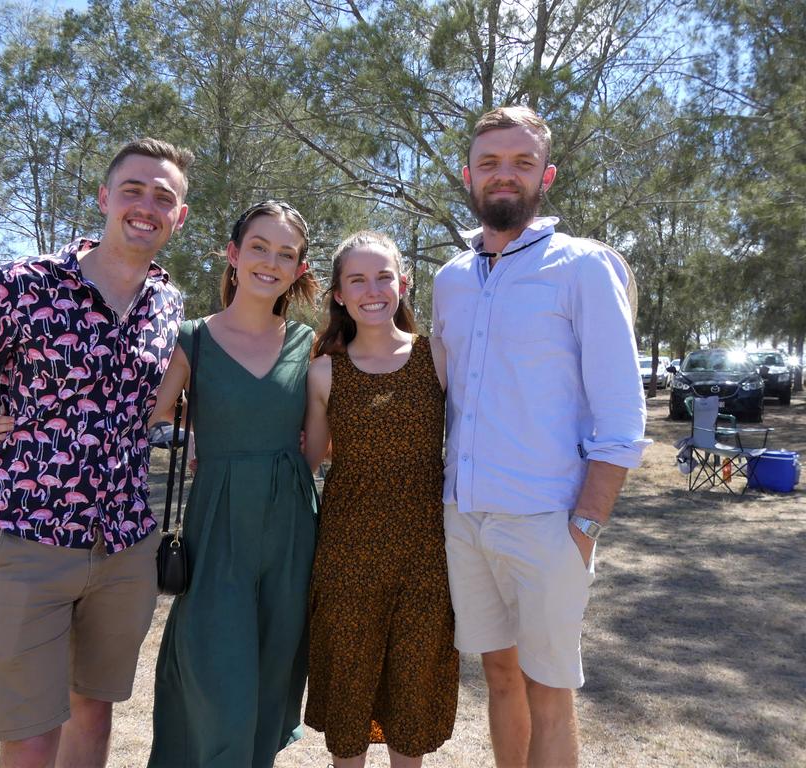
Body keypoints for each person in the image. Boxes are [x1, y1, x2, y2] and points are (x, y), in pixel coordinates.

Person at [0, 137, 193, 768]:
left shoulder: (169, 305)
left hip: (126, 547)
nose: (146, 206)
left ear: (178, 216)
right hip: (30, 540)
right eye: (133, 190)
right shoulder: (23, 284)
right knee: (29, 736)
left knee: (94, 718)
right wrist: (12, 457)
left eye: (164, 197)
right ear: (105, 198)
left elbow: (157, 406)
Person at [432, 105, 649, 767]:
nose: (505, 175)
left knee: (548, 689)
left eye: (522, 163)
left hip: (550, 521)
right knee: (499, 676)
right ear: (469, 175)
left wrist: (584, 526)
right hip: (464, 515)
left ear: (545, 175)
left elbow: (621, 418)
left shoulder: (583, 267)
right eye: (491, 163)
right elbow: (443, 397)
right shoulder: (449, 280)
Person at [146, 200, 320, 768]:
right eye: (259, 247)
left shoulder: (307, 345)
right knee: (215, 670)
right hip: (217, 527)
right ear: (233, 255)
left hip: (292, 529)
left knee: (271, 675)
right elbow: (143, 417)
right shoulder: (190, 340)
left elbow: (316, 446)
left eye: (286, 254)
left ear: (298, 269)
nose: (271, 261)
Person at [302, 231, 458, 768]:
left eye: (384, 276)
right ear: (339, 295)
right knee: (348, 700)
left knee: (410, 702)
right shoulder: (324, 371)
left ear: (403, 283)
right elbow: (309, 459)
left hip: (425, 555)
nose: (373, 290)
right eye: (357, 279)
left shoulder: (436, 356)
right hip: (347, 556)